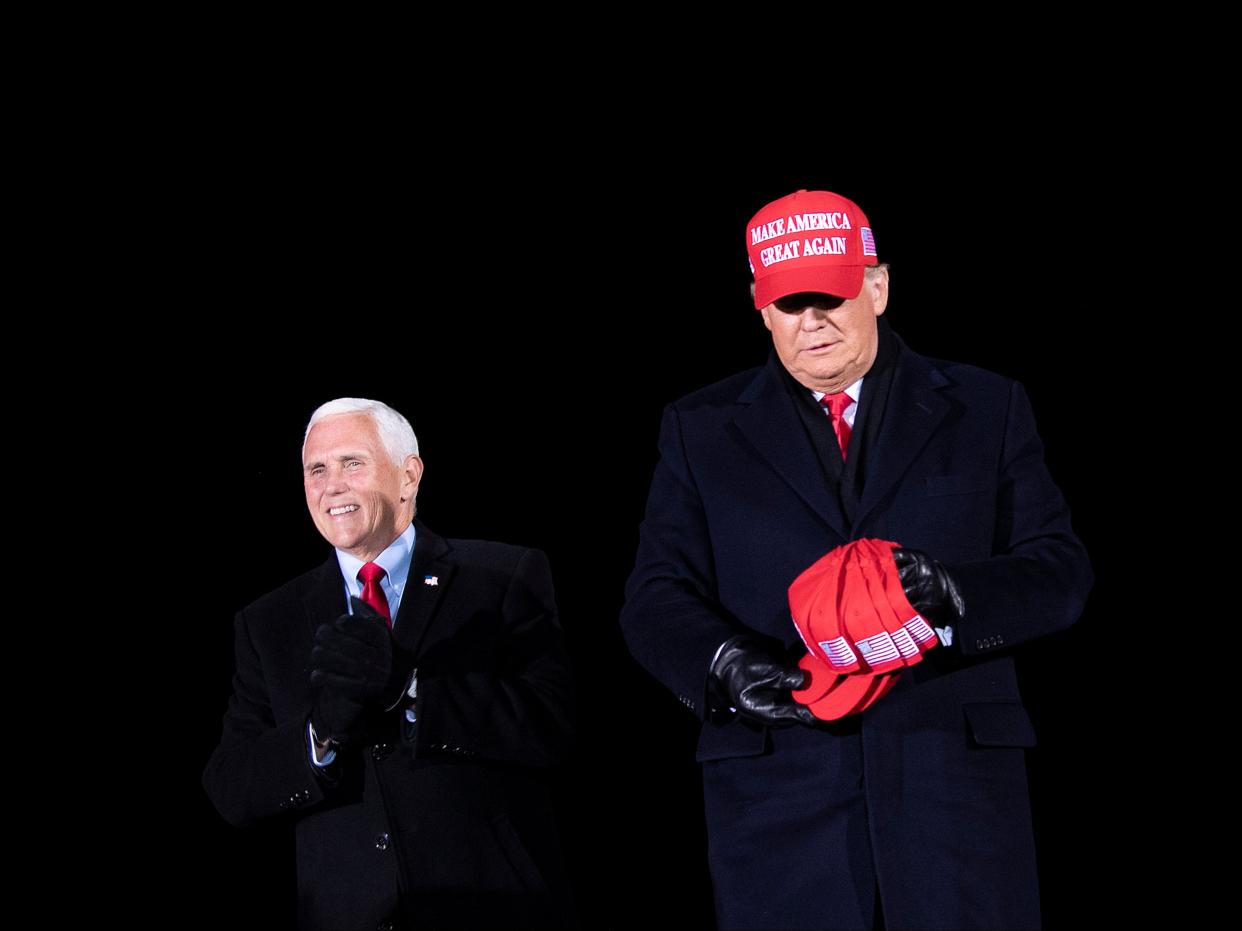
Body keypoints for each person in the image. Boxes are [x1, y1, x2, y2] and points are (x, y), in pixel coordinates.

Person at [619, 189, 1092, 930]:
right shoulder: (697, 429)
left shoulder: (985, 405)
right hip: (777, 804)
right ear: (759, 305)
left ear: (878, 285)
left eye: (831, 296)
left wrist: (955, 598)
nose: (813, 321)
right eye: (789, 302)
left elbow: (1060, 572)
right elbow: (652, 597)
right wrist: (722, 663)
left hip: (955, 798)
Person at [203, 397, 575, 930]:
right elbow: (231, 786)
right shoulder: (270, 621)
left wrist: (413, 691)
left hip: (493, 907)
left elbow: (553, 726)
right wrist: (320, 735)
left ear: (409, 475)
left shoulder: (500, 576)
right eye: (316, 469)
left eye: (352, 462)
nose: (331, 485)